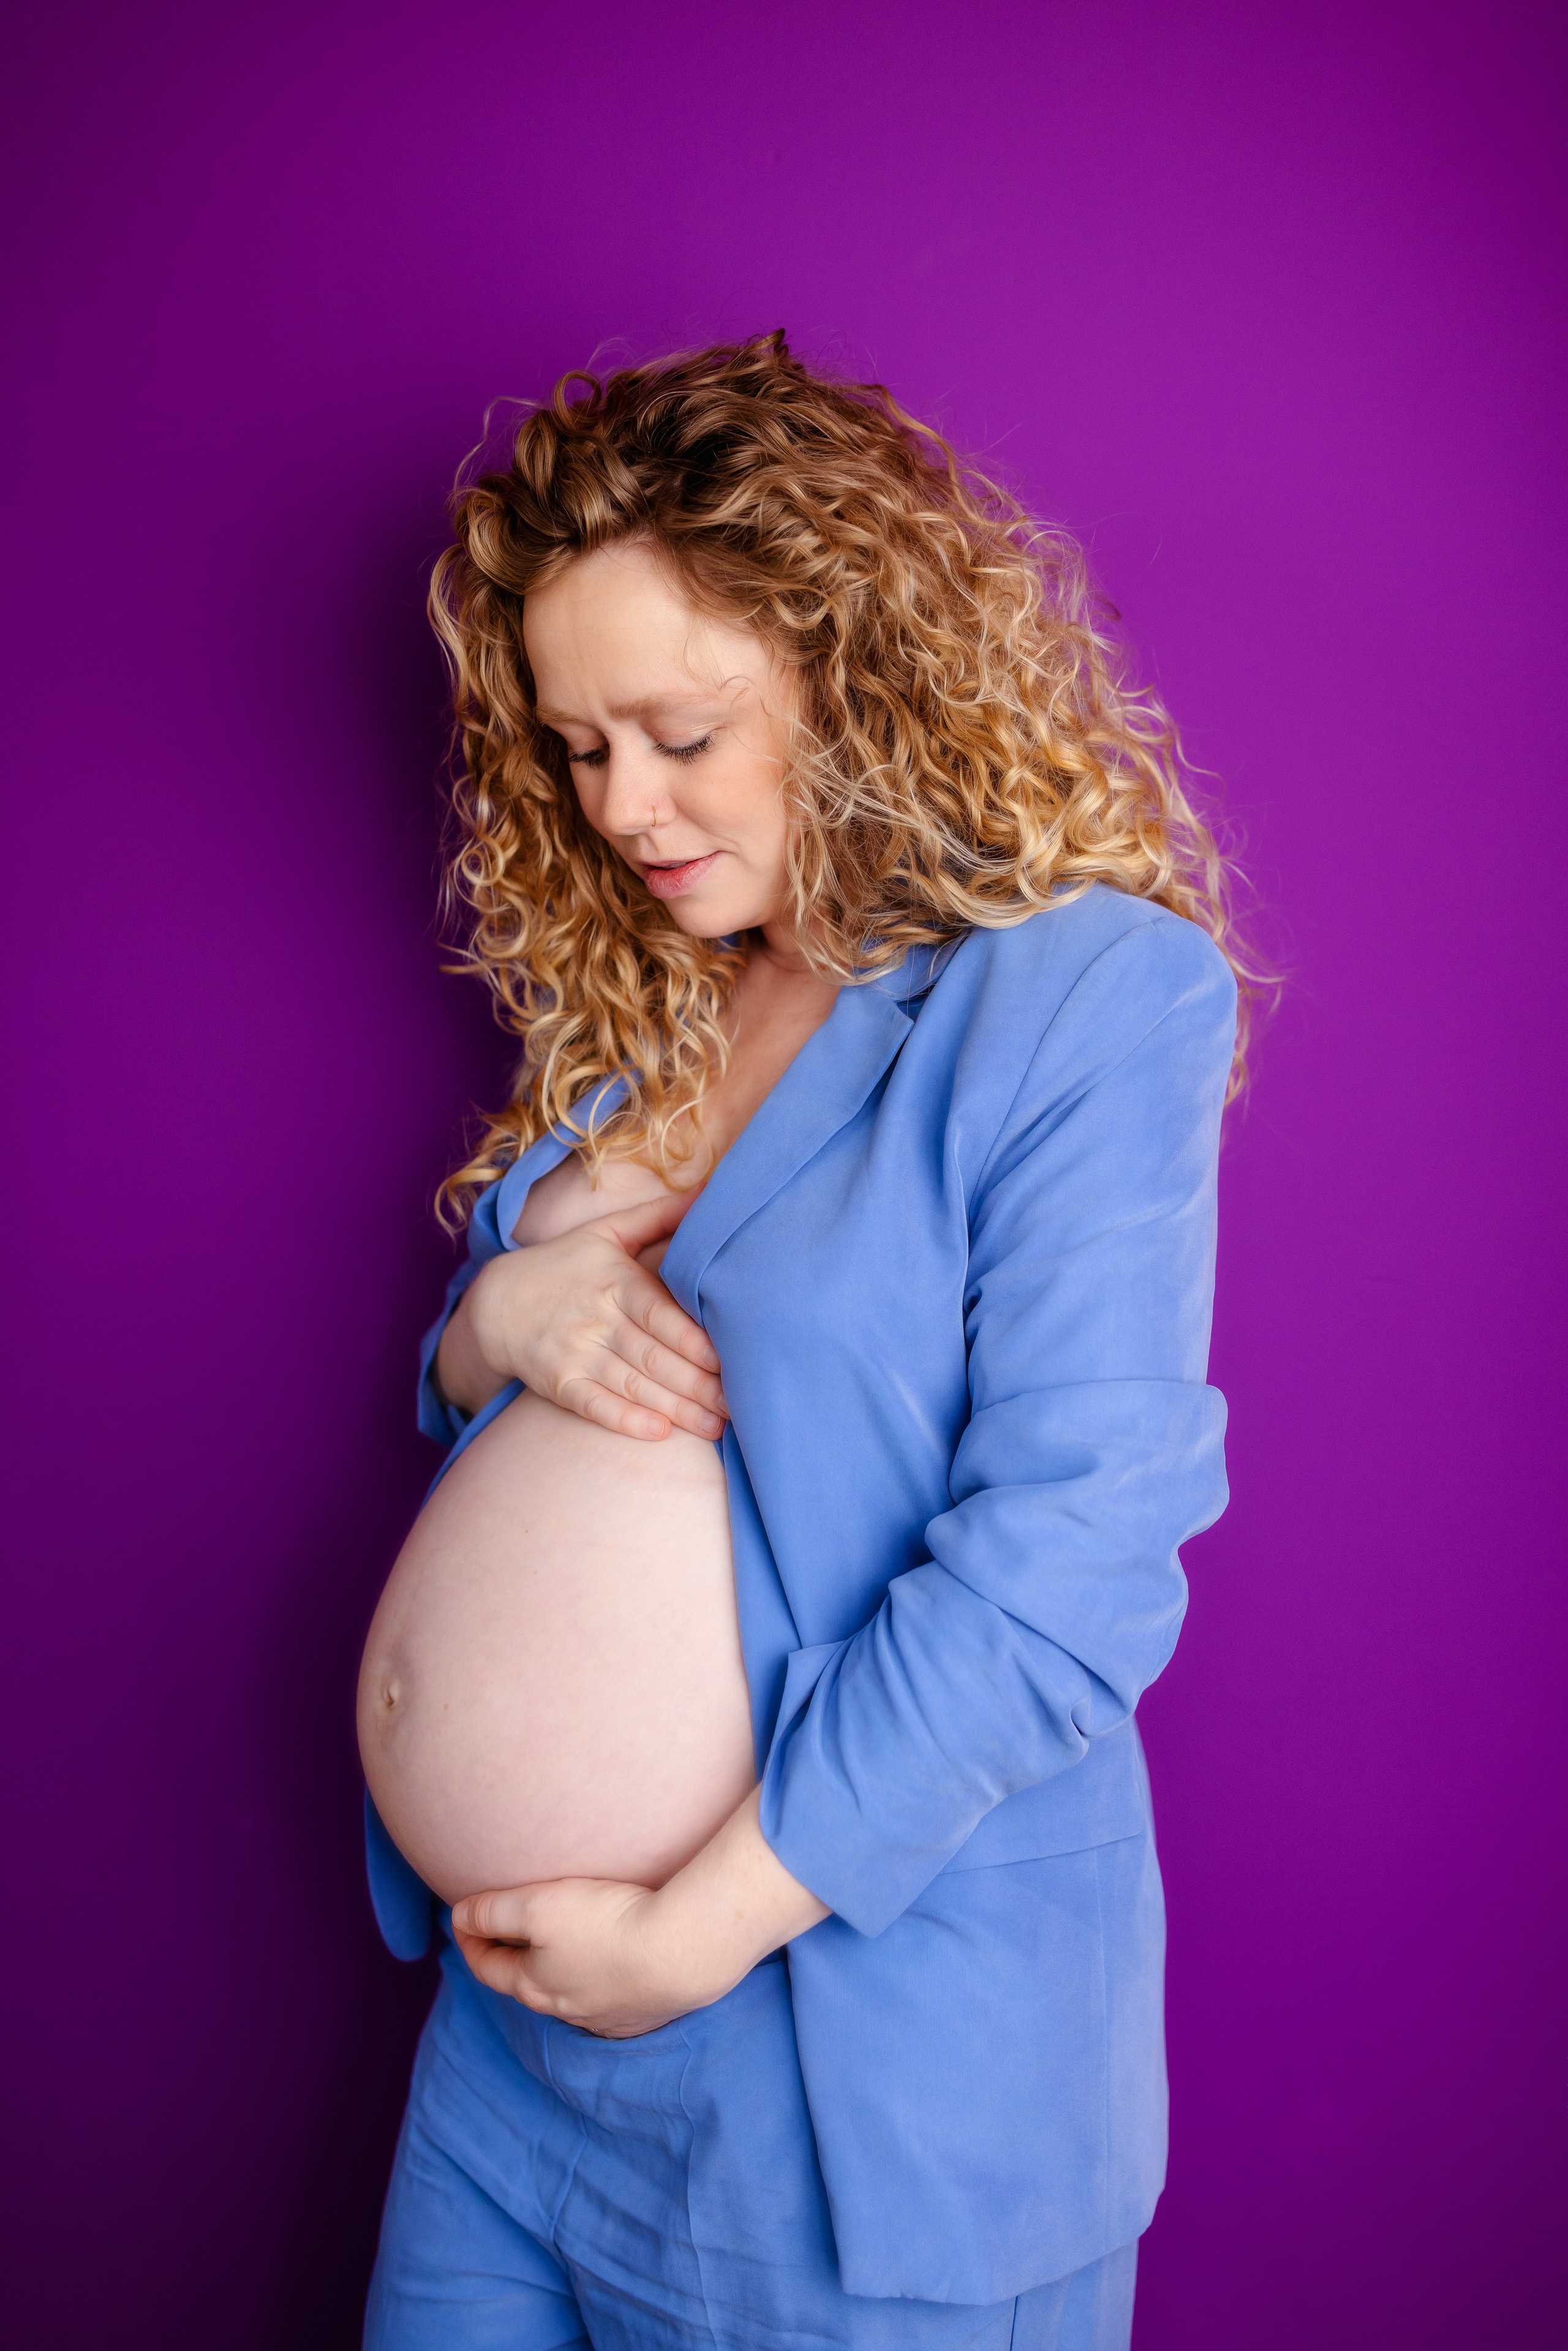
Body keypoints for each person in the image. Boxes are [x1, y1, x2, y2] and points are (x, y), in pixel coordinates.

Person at [358, 332, 1246, 2351]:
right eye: (578, 749)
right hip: (507, 2055)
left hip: (841, 2065)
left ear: (850, 668)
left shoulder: (1086, 998)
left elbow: (1073, 1569)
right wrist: (491, 1318)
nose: (623, 808)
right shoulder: (675, 982)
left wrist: (691, 1934)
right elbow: (528, 1390)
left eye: (677, 733)